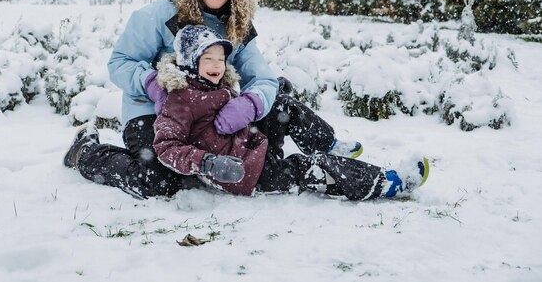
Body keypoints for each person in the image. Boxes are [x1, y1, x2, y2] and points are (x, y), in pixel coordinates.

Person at [62, 0, 419, 199]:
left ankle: (328, 151)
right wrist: (151, 83)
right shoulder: (158, 16)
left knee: (278, 96)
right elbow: (119, 63)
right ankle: (87, 152)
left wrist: (249, 104)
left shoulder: (237, 25)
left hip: (216, 121)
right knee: (156, 180)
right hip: (154, 116)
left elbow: (261, 77)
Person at [151, 25, 429, 199]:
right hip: (243, 172)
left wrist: (269, 95)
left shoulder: (215, 84)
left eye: (220, 59)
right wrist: (208, 163)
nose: (216, 65)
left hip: (250, 144)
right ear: (190, 63)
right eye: (207, 59)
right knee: (311, 168)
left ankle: (330, 145)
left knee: (281, 104)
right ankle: (388, 183)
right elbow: (166, 147)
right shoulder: (180, 100)